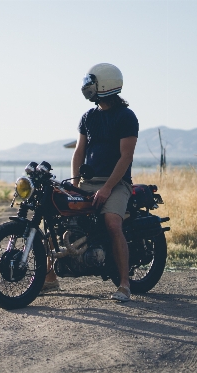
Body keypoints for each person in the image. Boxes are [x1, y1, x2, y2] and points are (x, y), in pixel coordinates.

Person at [42, 63, 138, 302]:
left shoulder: (126, 117)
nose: (86, 87)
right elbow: (78, 153)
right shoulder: (88, 117)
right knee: (56, 215)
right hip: (88, 181)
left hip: (116, 183)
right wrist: (74, 184)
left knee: (112, 223)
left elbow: (126, 156)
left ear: (104, 84)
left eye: (91, 82)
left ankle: (125, 284)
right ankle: (49, 275)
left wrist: (107, 188)